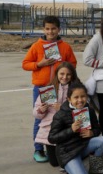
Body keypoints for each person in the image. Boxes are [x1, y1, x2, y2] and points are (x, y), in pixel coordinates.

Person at [22, 15, 77, 163]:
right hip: (42, 88)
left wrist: (63, 69)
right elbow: (25, 64)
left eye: (53, 29)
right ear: (43, 29)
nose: (50, 31)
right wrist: (39, 64)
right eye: (47, 29)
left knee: (59, 116)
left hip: (60, 87)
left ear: (59, 29)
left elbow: (73, 63)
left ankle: (55, 145)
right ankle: (38, 149)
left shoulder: (65, 47)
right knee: (40, 116)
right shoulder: (36, 46)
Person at [48, 82, 103, 174]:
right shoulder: (61, 114)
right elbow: (51, 138)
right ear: (69, 99)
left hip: (84, 146)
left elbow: (97, 129)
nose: (80, 100)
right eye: (76, 97)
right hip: (68, 151)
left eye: (83, 96)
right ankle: (69, 166)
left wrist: (92, 133)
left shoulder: (89, 109)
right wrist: (71, 129)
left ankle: (96, 168)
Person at [32, 62, 76, 173]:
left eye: (68, 74)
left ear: (72, 75)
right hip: (51, 131)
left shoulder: (76, 90)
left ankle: (75, 155)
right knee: (54, 163)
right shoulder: (48, 90)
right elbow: (36, 113)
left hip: (68, 128)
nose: (64, 77)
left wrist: (63, 108)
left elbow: (83, 111)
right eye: (62, 74)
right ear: (57, 74)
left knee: (65, 158)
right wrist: (41, 110)